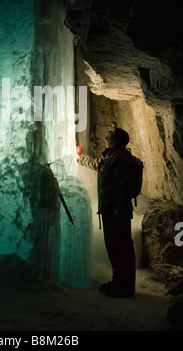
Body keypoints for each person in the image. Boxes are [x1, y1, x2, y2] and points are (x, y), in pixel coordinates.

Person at [78, 125, 136, 298]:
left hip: (116, 213)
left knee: (120, 249)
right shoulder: (111, 157)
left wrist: (118, 207)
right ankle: (119, 283)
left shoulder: (118, 158)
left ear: (116, 140)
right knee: (115, 249)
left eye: (111, 133)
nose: (107, 134)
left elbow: (127, 185)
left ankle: (124, 288)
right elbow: (97, 164)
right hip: (111, 211)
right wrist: (78, 158)